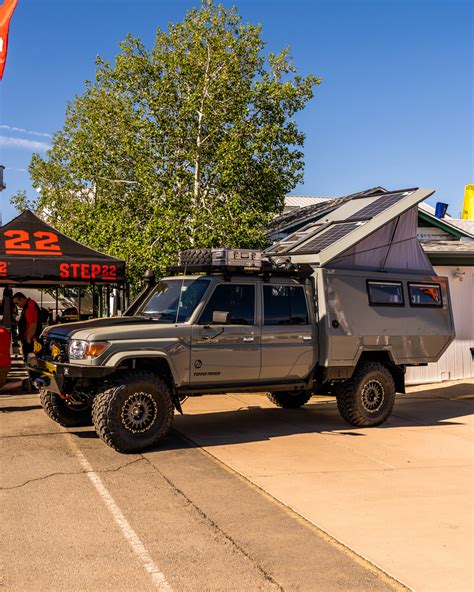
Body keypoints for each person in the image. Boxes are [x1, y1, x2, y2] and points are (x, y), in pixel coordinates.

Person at [12, 292, 42, 362]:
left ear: (22, 299)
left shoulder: (29, 307)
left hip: (31, 339)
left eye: (17, 303)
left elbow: (33, 324)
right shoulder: (29, 305)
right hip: (30, 338)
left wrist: (28, 337)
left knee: (30, 360)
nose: (17, 305)